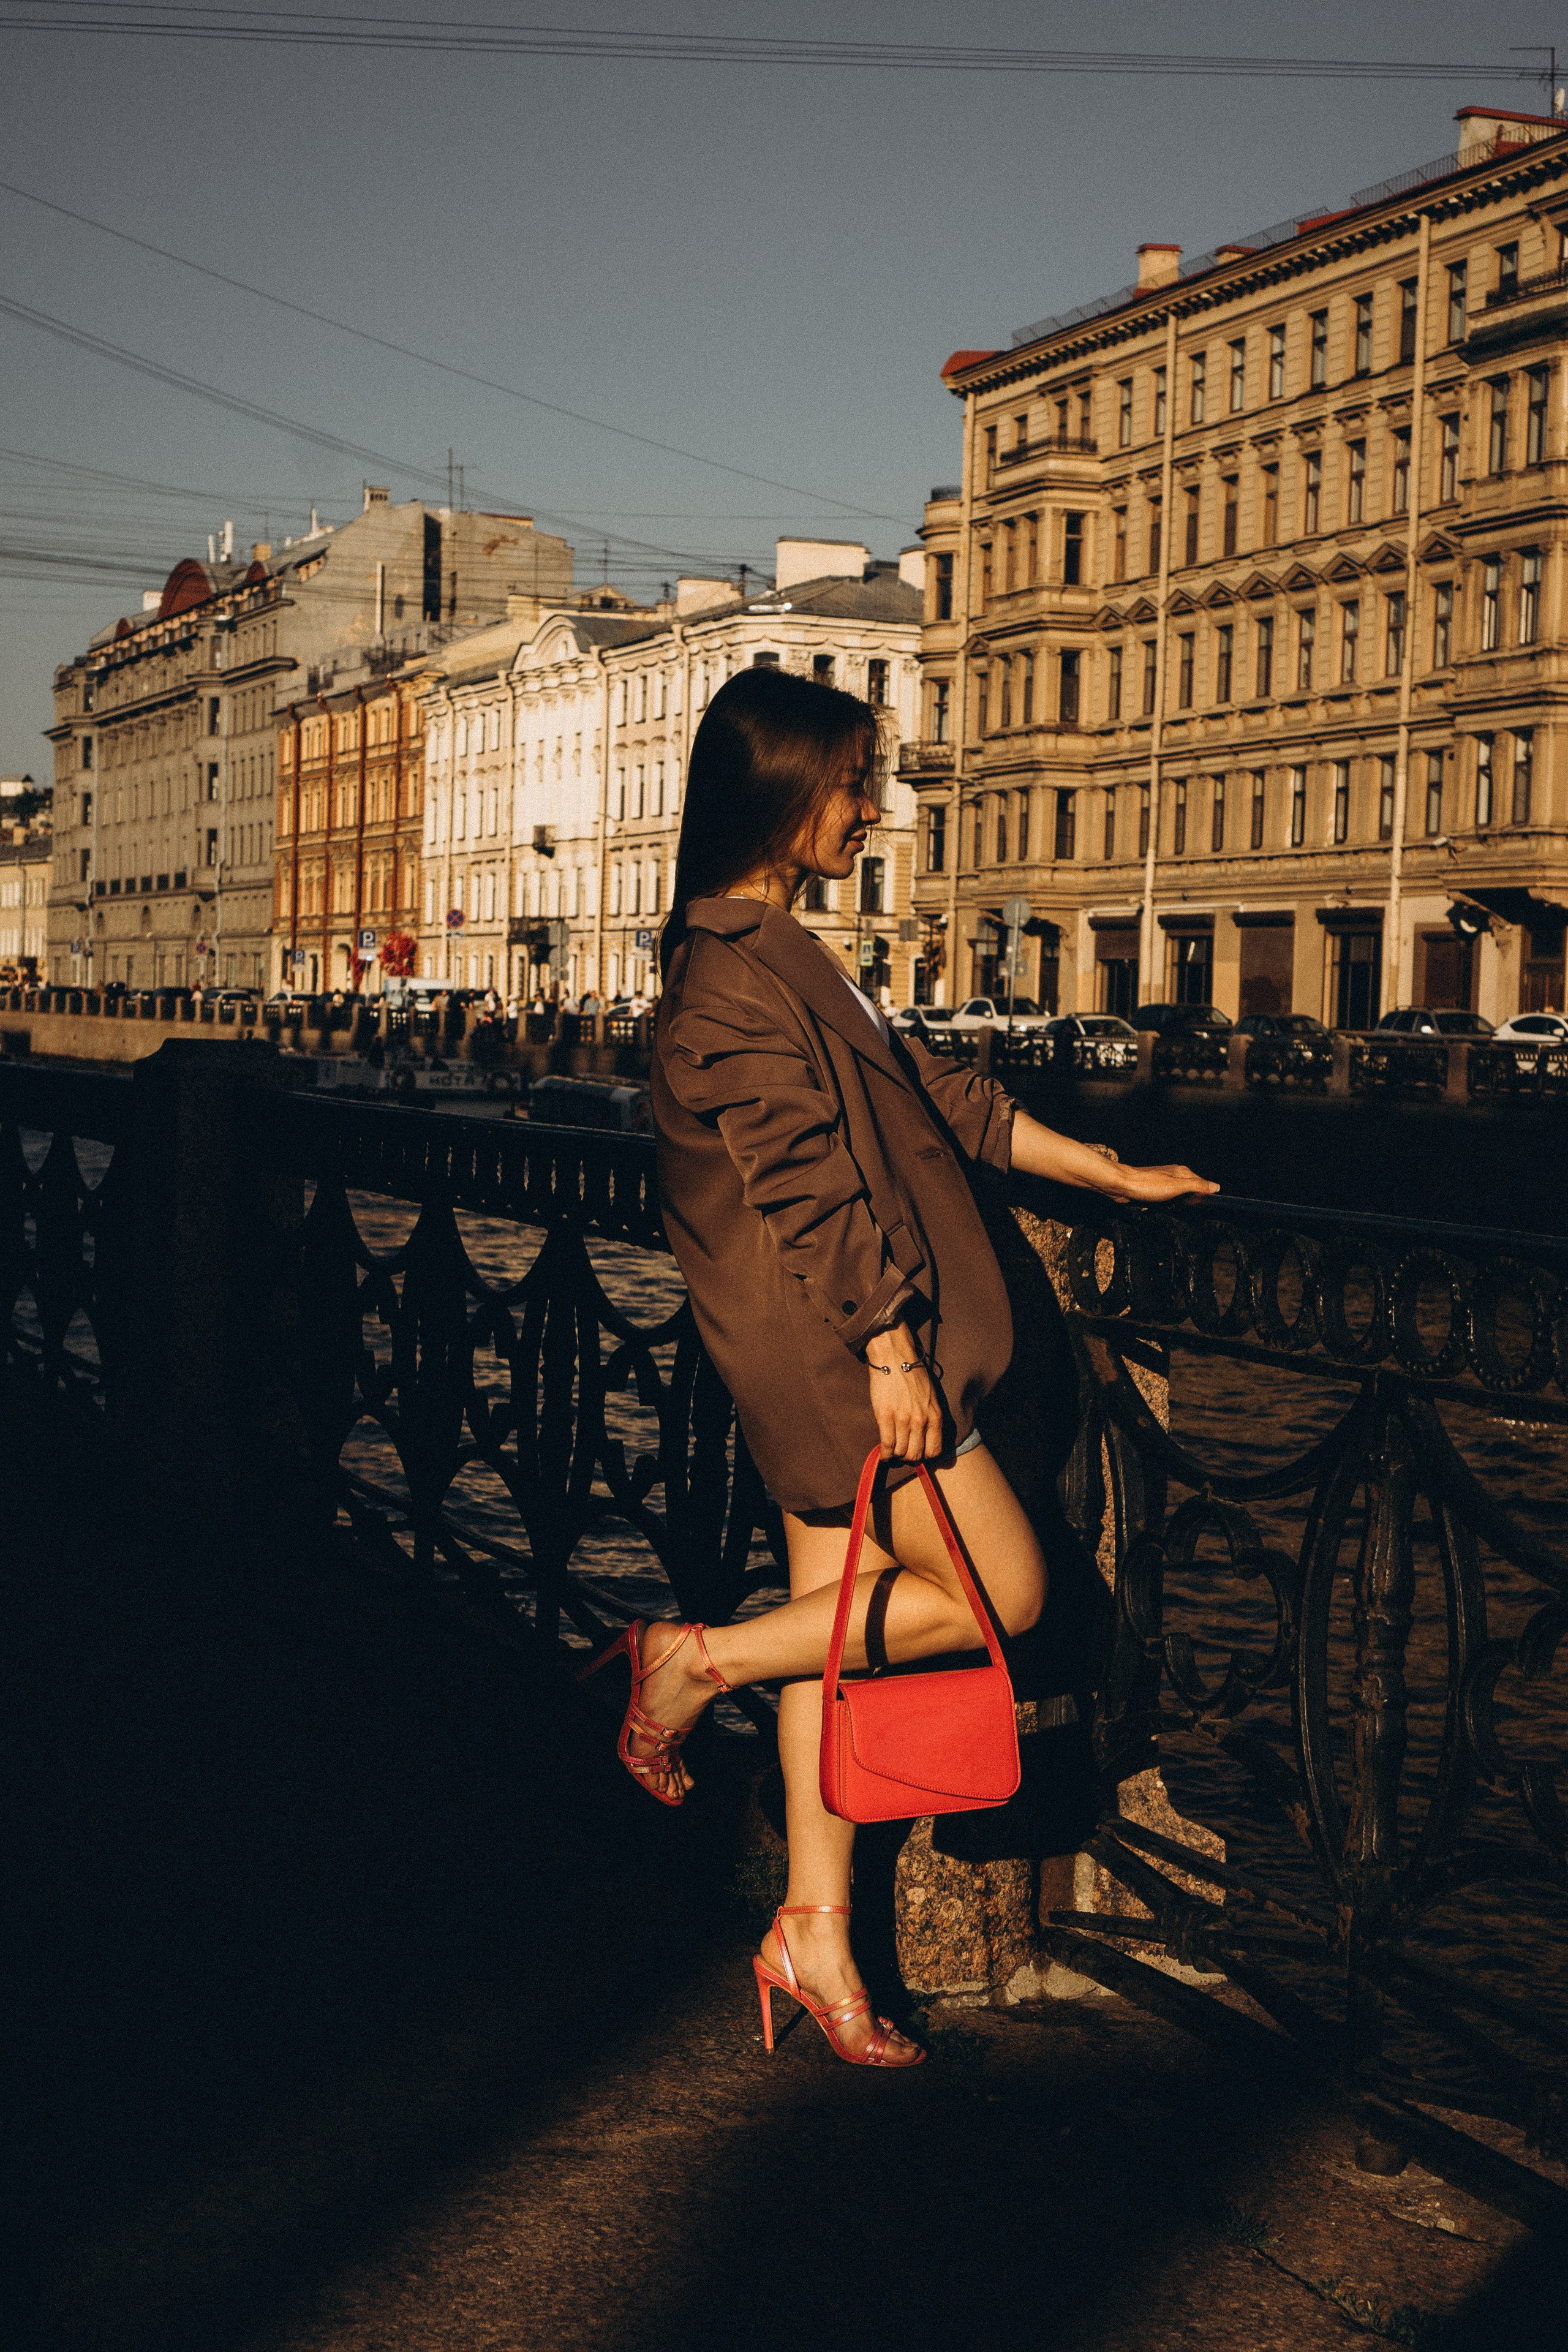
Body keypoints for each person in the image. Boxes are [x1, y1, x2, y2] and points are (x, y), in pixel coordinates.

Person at [581, 668, 1216, 2069]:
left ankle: (814, 1930)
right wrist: (886, 1344)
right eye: (852, 785)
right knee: (1001, 1588)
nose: (872, 811)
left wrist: (1105, 1170)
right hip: (838, 1352)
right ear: (782, 792)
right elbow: (803, 1179)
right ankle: (688, 1661)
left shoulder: (770, 949)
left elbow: (937, 1097)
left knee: (844, 1635)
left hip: (832, 1346)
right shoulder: (731, 979)